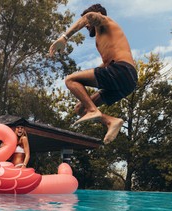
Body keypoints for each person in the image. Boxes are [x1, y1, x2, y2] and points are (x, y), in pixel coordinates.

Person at [48, 4, 138, 144]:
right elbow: (107, 63)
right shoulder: (102, 38)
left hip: (122, 70)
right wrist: (92, 74)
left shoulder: (105, 21)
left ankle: (94, 111)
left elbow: (89, 17)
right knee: (80, 108)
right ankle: (111, 121)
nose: (86, 26)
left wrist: (64, 37)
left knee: (70, 80)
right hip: (126, 81)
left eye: (87, 24)